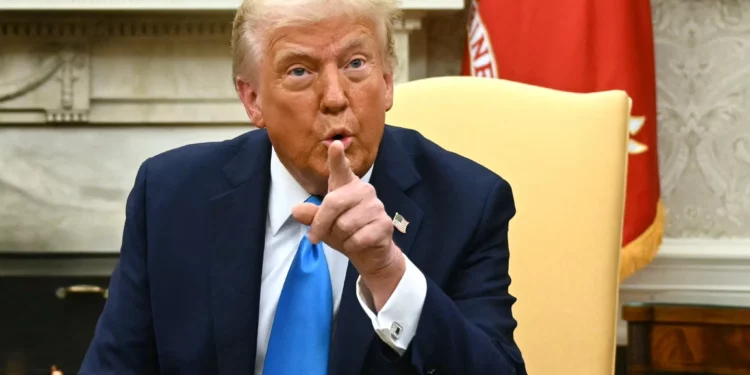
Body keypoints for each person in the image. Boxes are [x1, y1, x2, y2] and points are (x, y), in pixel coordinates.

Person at [79, 0, 526, 374]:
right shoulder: (171, 196)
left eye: (355, 64)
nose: (335, 96)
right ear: (252, 99)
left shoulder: (467, 203)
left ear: (387, 82)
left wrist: (389, 273)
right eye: (299, 71)